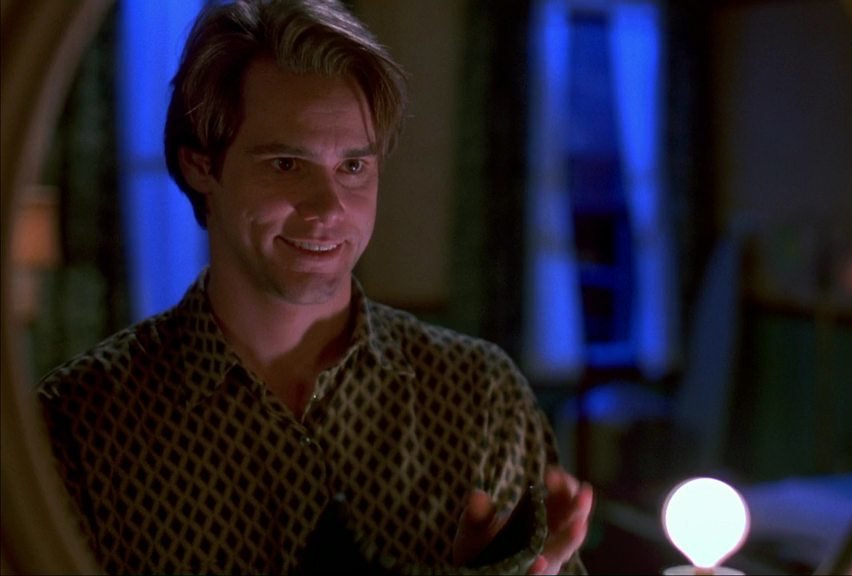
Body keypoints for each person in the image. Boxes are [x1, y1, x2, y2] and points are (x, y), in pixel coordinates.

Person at [35, 1, 593, 574]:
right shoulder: (83, 421)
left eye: (353, 167)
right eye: (286, 164)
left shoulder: (481, 397)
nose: (328, 209)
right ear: (202, 165)